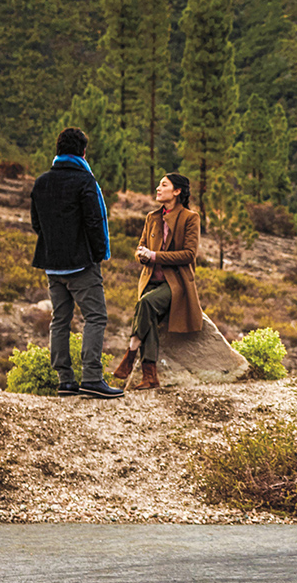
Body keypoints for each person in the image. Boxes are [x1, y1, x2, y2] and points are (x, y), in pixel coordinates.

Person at [30, 127, 123, 399]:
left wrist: (54, 245)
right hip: (81, 264)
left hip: (52, 264)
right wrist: (98, 254)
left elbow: (37, 223)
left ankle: (65, 381)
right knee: (95, 316)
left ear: (58, 150)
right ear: (83, 152)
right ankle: (92, 377)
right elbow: (95, 221)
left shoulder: (41, 182)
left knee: (60, 320)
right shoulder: (85, 181)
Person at [111, 172, 203, 391]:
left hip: (177, 283)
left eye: (164, 185)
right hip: (150, 280)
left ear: (177, 191)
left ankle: (131, 351)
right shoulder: (152, 217)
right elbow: (140, 247)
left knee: (146, 303)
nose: (158, 189)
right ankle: (150, 377)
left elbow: (189, 254)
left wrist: (154, 256)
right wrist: (142, 255)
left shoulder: (190, 218)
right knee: (148, 314)